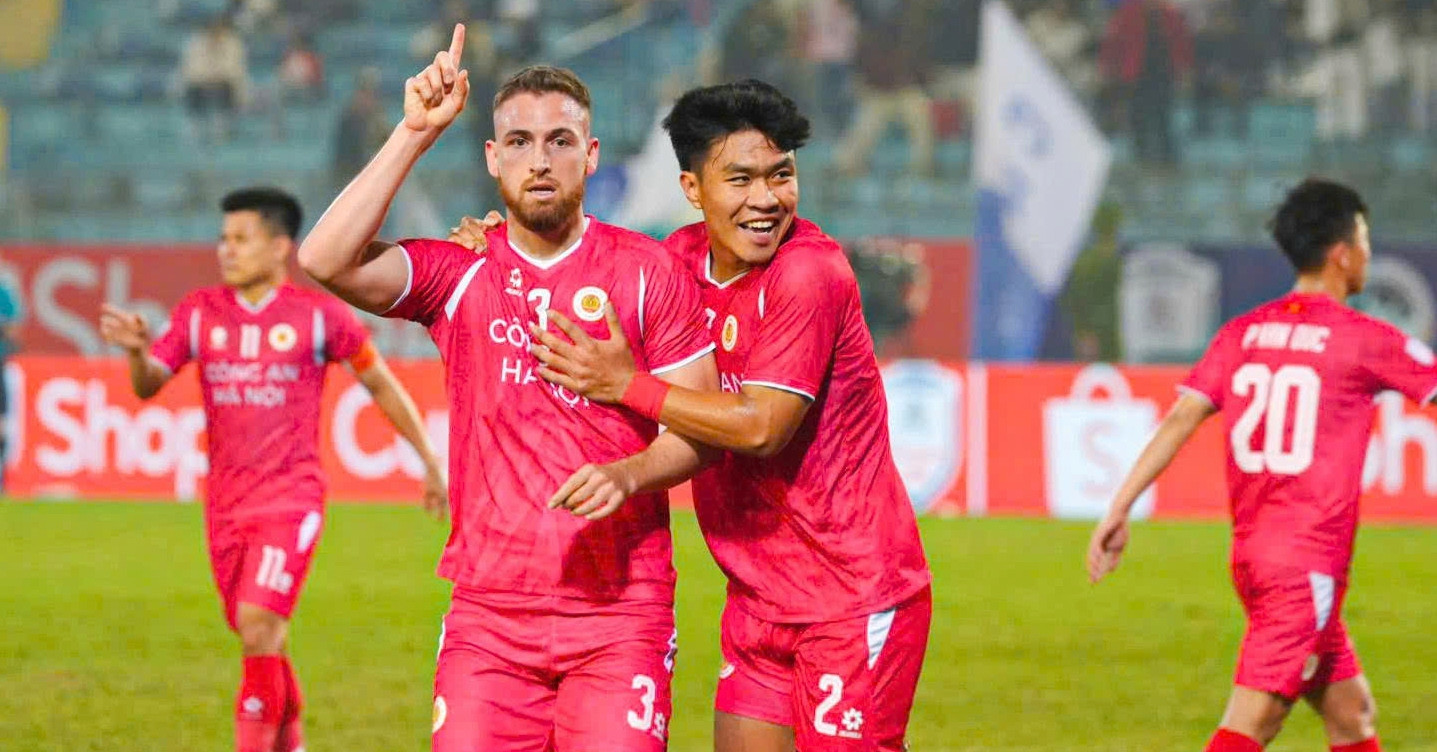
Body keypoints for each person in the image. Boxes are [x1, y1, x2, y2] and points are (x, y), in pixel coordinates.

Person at [454, 79, 933, 752]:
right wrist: (499, 244)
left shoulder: (809, 274)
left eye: (781, 175)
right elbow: (578, 261)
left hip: (851, 596)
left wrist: (628, 385)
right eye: (740, 179)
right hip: (758, 597)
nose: (765, 199)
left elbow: (761, 428)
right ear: (692, 188)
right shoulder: (674, 263)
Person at [295, 26, 716, 751]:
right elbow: (324, 258)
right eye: (519, 142)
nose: (540, 160)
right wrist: (414, 133)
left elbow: (701, 427)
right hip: (489, 620)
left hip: (619, 615)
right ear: (493, 158)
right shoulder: (458, 270)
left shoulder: (648, 273)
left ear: (591, 155)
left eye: (560, 141)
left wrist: (628, 473)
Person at [1087, 179, 1434, 752]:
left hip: (1255, 560)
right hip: (1305, 568)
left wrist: (1118, 508)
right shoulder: (1363, 338)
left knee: (1351, 714)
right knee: (1253, 723)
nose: (1369, 253)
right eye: (1365, 240)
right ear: (1342, 253)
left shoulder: (1242, 333)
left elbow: (1180, 419)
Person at [98, 187, 446, 752]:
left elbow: (380, 383)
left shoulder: (320, 317)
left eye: (241, 239)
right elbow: (147, 387)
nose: (227, 250)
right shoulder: (199, 312)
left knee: (260, 626)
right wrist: (138, 352)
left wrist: (429, 460)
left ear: (280, 246)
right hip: (225, 507)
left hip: (291, 499)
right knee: (262, 637)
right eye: (223, 239)